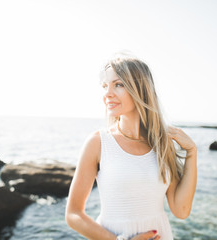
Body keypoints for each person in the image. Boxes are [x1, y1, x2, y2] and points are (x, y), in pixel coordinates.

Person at [65, 53, 197, 240]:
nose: (107, 94)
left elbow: (181, 210)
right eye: (105, 86)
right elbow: (73, 214)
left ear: (141, 89)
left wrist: (191, 153)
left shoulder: (161, 144)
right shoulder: (98, 142)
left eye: (118, 84)